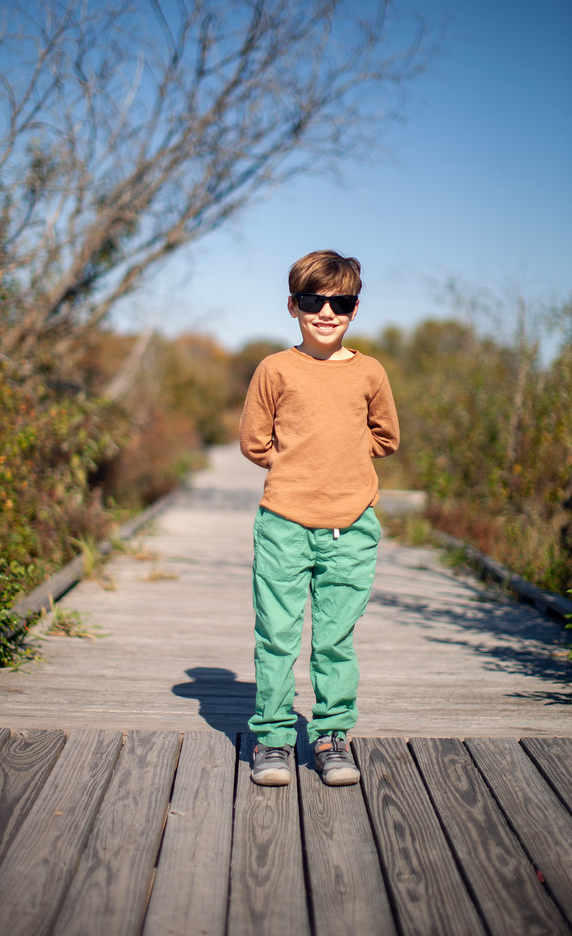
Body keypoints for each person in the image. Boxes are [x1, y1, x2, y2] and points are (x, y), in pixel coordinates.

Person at [239, 249, 400, 786]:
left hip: (352, 526)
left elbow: (385, 437)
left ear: (355, 308)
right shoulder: (275, 369)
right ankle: (273, 739)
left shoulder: (370, 372)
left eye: (341, 301)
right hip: (283, 522)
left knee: (334, 639)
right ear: (293, 306)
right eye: (313, 300)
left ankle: (331, 736)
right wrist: (296, 466)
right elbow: (254, 441)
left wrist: (344, 464)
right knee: (278, 635)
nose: (326, 312)